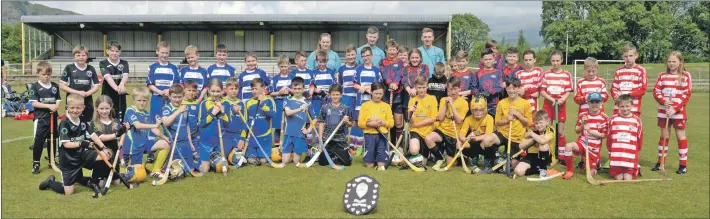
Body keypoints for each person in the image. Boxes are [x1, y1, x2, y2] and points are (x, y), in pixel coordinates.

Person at [39, 94, 112, 196]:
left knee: (105, 155)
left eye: (78, 108)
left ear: (83, 108)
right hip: (69, 161)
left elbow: (94, 135)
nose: (75, 110)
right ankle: (50, 183)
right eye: (72, 108)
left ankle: (96, 180)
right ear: (67, 108)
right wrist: (82, 143)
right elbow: (66, 145)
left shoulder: (82, 122)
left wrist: (103, 148)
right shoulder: (65, 123)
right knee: (68, 192)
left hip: (81, 155)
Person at [479, 77, 532, 174]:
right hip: (503, 133)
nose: (511, 91)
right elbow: (497, 122)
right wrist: (506, 120)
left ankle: (504, 160)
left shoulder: (525, 103)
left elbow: (528, 123)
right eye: (509, 88)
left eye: (514, 88)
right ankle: (492, 161)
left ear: (518, 88)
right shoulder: (501, 103)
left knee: (513, 165)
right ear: (506, 89)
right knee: (487, 140)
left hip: (517, 137)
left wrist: (518, 115)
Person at [651, 51, 692, 175]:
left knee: (680, 136)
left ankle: (683, 165)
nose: (671, 64)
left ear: (680, 62)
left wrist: (675, 108)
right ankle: (660, 162)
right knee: (664, 136)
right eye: (669, 61)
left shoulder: (685, 75)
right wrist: (663, 101)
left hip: (678, 112)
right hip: (664, 112)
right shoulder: (662, 76)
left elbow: (686, 94)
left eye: (674, 61)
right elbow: (656, 91)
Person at [122, 87, 172, 178]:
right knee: (137, 176)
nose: (142, 103)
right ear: (134, 100)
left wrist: (165, 138)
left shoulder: (146, 113)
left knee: (165, 144)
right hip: (133, 147)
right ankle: (144, 166)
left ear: (147, 101)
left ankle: (155, 170)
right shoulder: (130, 110)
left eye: (144, 100)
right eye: (139, 100)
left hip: (144, 143)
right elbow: (138, 125)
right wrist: (155, 125)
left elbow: (154, 129)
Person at [424, 77, 468, 171]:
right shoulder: (443, 100)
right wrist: (446, 105)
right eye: (450, 89)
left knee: (450, 164)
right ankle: (440, 158)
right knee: (428, 138)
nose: (453, 92)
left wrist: (452, 105)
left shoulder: (464, 103)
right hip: (442, 129)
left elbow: (459, 120)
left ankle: (460, 158)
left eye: (455, 89)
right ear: (447, 89)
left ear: (460, 89)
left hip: (453, 134)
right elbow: (439, 118)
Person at [562, 92, 608, 179]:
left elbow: (603, 135)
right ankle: (569, 170)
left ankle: (593, 165)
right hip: (583, 143)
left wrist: (591, 132)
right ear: (587, 103)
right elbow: (576, 130)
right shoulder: (583, 115)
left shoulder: (604, 118)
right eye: (592, 102)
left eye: (597, 102)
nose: (594, 104)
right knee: (568, 146)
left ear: (601, 103)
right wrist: (583, 124)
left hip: (594, 148)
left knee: (590, 173)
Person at [540, 50, 572, 166]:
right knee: (547, 129)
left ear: (562, 60)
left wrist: (562, 99)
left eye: (557, 60)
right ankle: (548, 154)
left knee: (560, 131)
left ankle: (561, 156)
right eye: (553, 61)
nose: (555, 63)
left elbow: (568, 90)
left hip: (561, 104)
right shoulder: (546, 74)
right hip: (549, 104)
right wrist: (553, 100)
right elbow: (542, 91)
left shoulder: (566, 74)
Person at [91, 95, 131, 188]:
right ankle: (93, 177)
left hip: (114, 157)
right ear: (96, 108)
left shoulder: (116, 121)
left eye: (106, 108)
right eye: (101, 108)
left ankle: (121, 175)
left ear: (111, 108)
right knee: (100, 185)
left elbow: (119, 138)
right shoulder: (93, 123)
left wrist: (124, 130)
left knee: (116, 182)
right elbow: (101, 138)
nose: (104, 111)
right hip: (101, 157)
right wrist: (116, 134)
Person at [161, 84, 200, 176]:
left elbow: (187, 126)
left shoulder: (184, 108)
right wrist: (178, 112)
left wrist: (190, 141)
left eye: (179, 97)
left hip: (185, 142)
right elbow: (165, 123)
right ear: (169, 97)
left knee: (189, 169)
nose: (177, 100)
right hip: (174, 142)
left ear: (183, 96)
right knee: (175, 169)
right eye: (174, 97)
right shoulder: (167, 108)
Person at [29, 61, 61, 174]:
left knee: (52, 140)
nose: (46, 77)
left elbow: (58, 100)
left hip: (53, 117)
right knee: (39, 141)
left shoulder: (55, 86)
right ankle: (36, 163)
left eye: (48, 74)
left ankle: (51, 161)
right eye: (44, 74)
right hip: (41, 118)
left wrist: (55, 106)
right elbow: (34, 103)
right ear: (38, 73)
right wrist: (49, 106)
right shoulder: (35, 87)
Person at [351, 46, 382, 155]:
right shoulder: (358, 69)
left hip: (372, 103)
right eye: (363, 56)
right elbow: (354, 83)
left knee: (370, 123)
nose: (365, 58)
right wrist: (360, 88)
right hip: (360, 102)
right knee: (359, 123)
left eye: (367, 55)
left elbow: (379, 85)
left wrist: (369, 90)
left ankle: (367, 147)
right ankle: (355, 147)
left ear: (372, 56)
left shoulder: (376, 70)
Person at [357, 82, 393, 170]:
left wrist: (383, 122)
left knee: (381, 165)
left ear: (383, 93)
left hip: (382, 136)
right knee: (369, 165)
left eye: (380, 93)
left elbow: (391, 123)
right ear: (371, 92)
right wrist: (369, 124)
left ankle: (380, 157)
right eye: (376, 93)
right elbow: (360, 123)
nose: (378, 96)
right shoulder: (365, 106)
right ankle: (371, 157)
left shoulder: (386, 106)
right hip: (369, 135)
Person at [59, 45, 99, 122]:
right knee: (71, 124)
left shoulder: (91, 69)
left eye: (83, 55)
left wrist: (86, 94)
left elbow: (96, 86)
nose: (81, 57)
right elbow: (62, 85)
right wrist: (77, 93)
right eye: (78, 55)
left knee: (87, 125)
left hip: (87, 103)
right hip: (72, 103)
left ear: (87, 56)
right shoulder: (69, 68)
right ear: (74, 57)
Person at [607, 94, 643, 180]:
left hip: (630, 155)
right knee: (619, 178)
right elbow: (609, 137)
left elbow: (639, 138)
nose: (625, 108)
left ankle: (636, 168)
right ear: (618, 106)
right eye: (622, 106)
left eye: (627, 106)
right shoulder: (613, 119)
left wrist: (636, 151)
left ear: (632, 106)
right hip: (616, 154)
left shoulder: (637, 120)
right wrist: (610, 150)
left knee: (627, 178)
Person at [316, 84, 354, 167]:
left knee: (346, 163)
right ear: (329, 94)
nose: (335, 96)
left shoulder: (345, 108)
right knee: (322, 163)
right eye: (333, 94)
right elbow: (321, 123)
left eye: (337, 94)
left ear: (341, 94)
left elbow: (350, 124)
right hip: (327, 139)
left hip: (340, 139)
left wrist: (347, 121)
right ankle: (333, 156)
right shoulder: (324, 107)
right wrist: (321, 139)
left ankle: (344, 155)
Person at [198, 78, 230, 173]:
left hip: (219, 140)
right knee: (205, 169)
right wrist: (212, 113)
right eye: (213, 91)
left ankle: (214, 161)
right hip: (206, 141)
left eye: (218, 91)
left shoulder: (226, 103)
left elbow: (228, 124)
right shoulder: (204, 103)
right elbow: (201, 124)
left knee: (220, 167)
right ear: (208, 90)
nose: (215, 94)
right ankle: (194, 160)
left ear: (222, 91)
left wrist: (223, 112)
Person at [404, 76, 437, 167]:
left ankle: (426, 155)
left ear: (427, 87)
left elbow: (433, 118)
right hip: (416, 131)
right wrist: (411, 112)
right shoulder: (412, 100)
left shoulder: (432, 99)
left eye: (423, 87)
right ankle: (412, 154)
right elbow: (411, 122)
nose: (421, 90)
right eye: (419, 87)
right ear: (415, 87)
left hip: (428, 132)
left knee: (423, 163)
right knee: (414, 150)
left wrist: (416, 124)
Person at [513, 110, 557, 178]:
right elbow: (521, 145)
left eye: (541, 123)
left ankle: (543, 170)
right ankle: (537, 169)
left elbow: (542, 141)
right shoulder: (532, 130)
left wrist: (533, 136)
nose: (539, 125)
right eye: (536, 123)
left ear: (547, 122)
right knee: (518, 171)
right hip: (532, 156)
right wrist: (533, 136)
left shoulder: (550, 130)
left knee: (543, 145)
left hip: (546, 156)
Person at [146, 41, 181, 125]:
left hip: (170, 99)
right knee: (154, 120)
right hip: (156, 98)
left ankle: (168, 137)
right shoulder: (152, 67)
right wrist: (160, 92)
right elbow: (149, 84)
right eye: (162, 52)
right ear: (157, 51)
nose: (164, 55)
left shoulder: (174, 68)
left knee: (170, 119)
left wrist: (169, 91)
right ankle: (152, 137)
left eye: (166, 53)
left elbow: (177, 84)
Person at [459, 96, 496, 173]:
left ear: (485, 110)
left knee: (487, 141)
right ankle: (473, 160)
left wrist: (475, 138)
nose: (478, 112)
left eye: (480, 110)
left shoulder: (489, 118)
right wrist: (465, 140)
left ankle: (488, 163)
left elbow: (488, 135)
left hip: (486, 142)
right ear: (471, 110)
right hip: (475, 142)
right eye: (475, 110)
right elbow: (461, 134)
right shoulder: (468, 118)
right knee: (459, 144)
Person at [244, 78, 276, 165]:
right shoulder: (248, 102)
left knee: (263, 161)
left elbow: (273, 115)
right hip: (252, 137)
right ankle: (250, 155)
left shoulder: (269, 100)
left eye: (256, 89)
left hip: (265, 137)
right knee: (251, 159)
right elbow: (245, 121)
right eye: (252, 89)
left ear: (263, 88)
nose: (254, 91)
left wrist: (262, 104)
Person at [279, 77, 309, 168]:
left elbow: (315, 119)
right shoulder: (287, 100)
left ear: (303, 88)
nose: (297, 90)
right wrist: (300, 109)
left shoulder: (307, 102)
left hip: (300, 134)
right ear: (291, 89)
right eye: (295, 88)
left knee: (296, 162)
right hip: (288, 133)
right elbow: (288, 113)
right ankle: (287, 152)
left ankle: (297, 154)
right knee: (285, 161)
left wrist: (308, 130)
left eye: (299, 88)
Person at [379, 40, 405, 145]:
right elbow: (384, 74)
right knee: (386, 121)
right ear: (386, 50)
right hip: (386, 94)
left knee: (398, 122)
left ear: (397, 50)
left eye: (394, 49)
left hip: (397, 94)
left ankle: (397, 145)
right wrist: (390, 83)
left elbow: (399, 74)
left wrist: (395, 83)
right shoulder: (382, 62)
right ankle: (385, 145)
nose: (392, 52)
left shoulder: (400, 62)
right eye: (390, 49)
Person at [611, 44, 647, 117]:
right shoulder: (619, 71)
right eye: (626, 56)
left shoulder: (641, 71)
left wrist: (627, 94)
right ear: (622, 57)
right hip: (619, 108)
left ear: (636, 55)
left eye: (630, 56)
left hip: (633, 108)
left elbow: (642, 90)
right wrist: (615, 96)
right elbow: (613, 88)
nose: (628, 58)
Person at [99, 40, 129, 118]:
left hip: (120, 94)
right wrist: (116, 88)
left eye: (117, 51)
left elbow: (125, 75)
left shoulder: (124, 63)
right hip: (107, 94)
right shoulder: (103, 63)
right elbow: (108, 78)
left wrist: (122, 84)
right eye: (112, 51)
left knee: (121, 115)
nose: (115, 53)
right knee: (107, 115)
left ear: (120, 52)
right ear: (107, 51)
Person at [472, 48, 505, 117]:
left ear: (494, 59)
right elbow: (474, 87)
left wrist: (486, 93)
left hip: (494, 105)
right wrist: (478, 95)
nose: (488, 61)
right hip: (480, 105)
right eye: (486, 59)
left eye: (490, 59)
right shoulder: (477, 73)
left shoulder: (498, 72)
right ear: (482, 60)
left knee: (494, 126)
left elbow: (499, 87)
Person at [270, 55, 294, 143]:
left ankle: (288, 144)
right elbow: (270, 93)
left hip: (290, 104)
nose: (283, 68)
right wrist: (279, 93)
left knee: (289, 126)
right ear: (278, 66)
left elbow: (298, 91)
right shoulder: (275, 79)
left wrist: (290, 90)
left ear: (289, 65)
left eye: (285, 66)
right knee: (278, 126)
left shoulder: (293, 77)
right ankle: (277, 145)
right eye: (281, 66)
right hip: (278, 104)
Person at [181, 80, 203, 172]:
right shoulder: (180, 104)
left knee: (199, 158)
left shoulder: (197, 105)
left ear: (197, 92)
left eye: (194, 91)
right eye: (189, 90)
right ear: (184, 91)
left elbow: (199, 121)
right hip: (182, 137)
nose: (191, 92)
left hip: (194, 136)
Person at [311, 51, 337, 117]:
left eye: (324, 62)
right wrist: (315, 90)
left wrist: (330, 93)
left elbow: (335, 86)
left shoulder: (331, 72)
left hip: (329, 100)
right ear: (316, 61)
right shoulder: (313, 72)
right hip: (317, 100)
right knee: (317, 119)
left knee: (329, 119)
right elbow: (310, 86)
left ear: (327, 61)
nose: (322, 64)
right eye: (320, 62)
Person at [339, 45, 359, 118]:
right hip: (346, 98)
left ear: (356, 54)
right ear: (345, 55)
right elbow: (340, 84)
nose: (351, 57)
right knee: (346, 120)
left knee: (356, 121)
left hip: (357, 98)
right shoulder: (341, 69)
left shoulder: (359, 68)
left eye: (353, 54)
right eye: (348, 55)